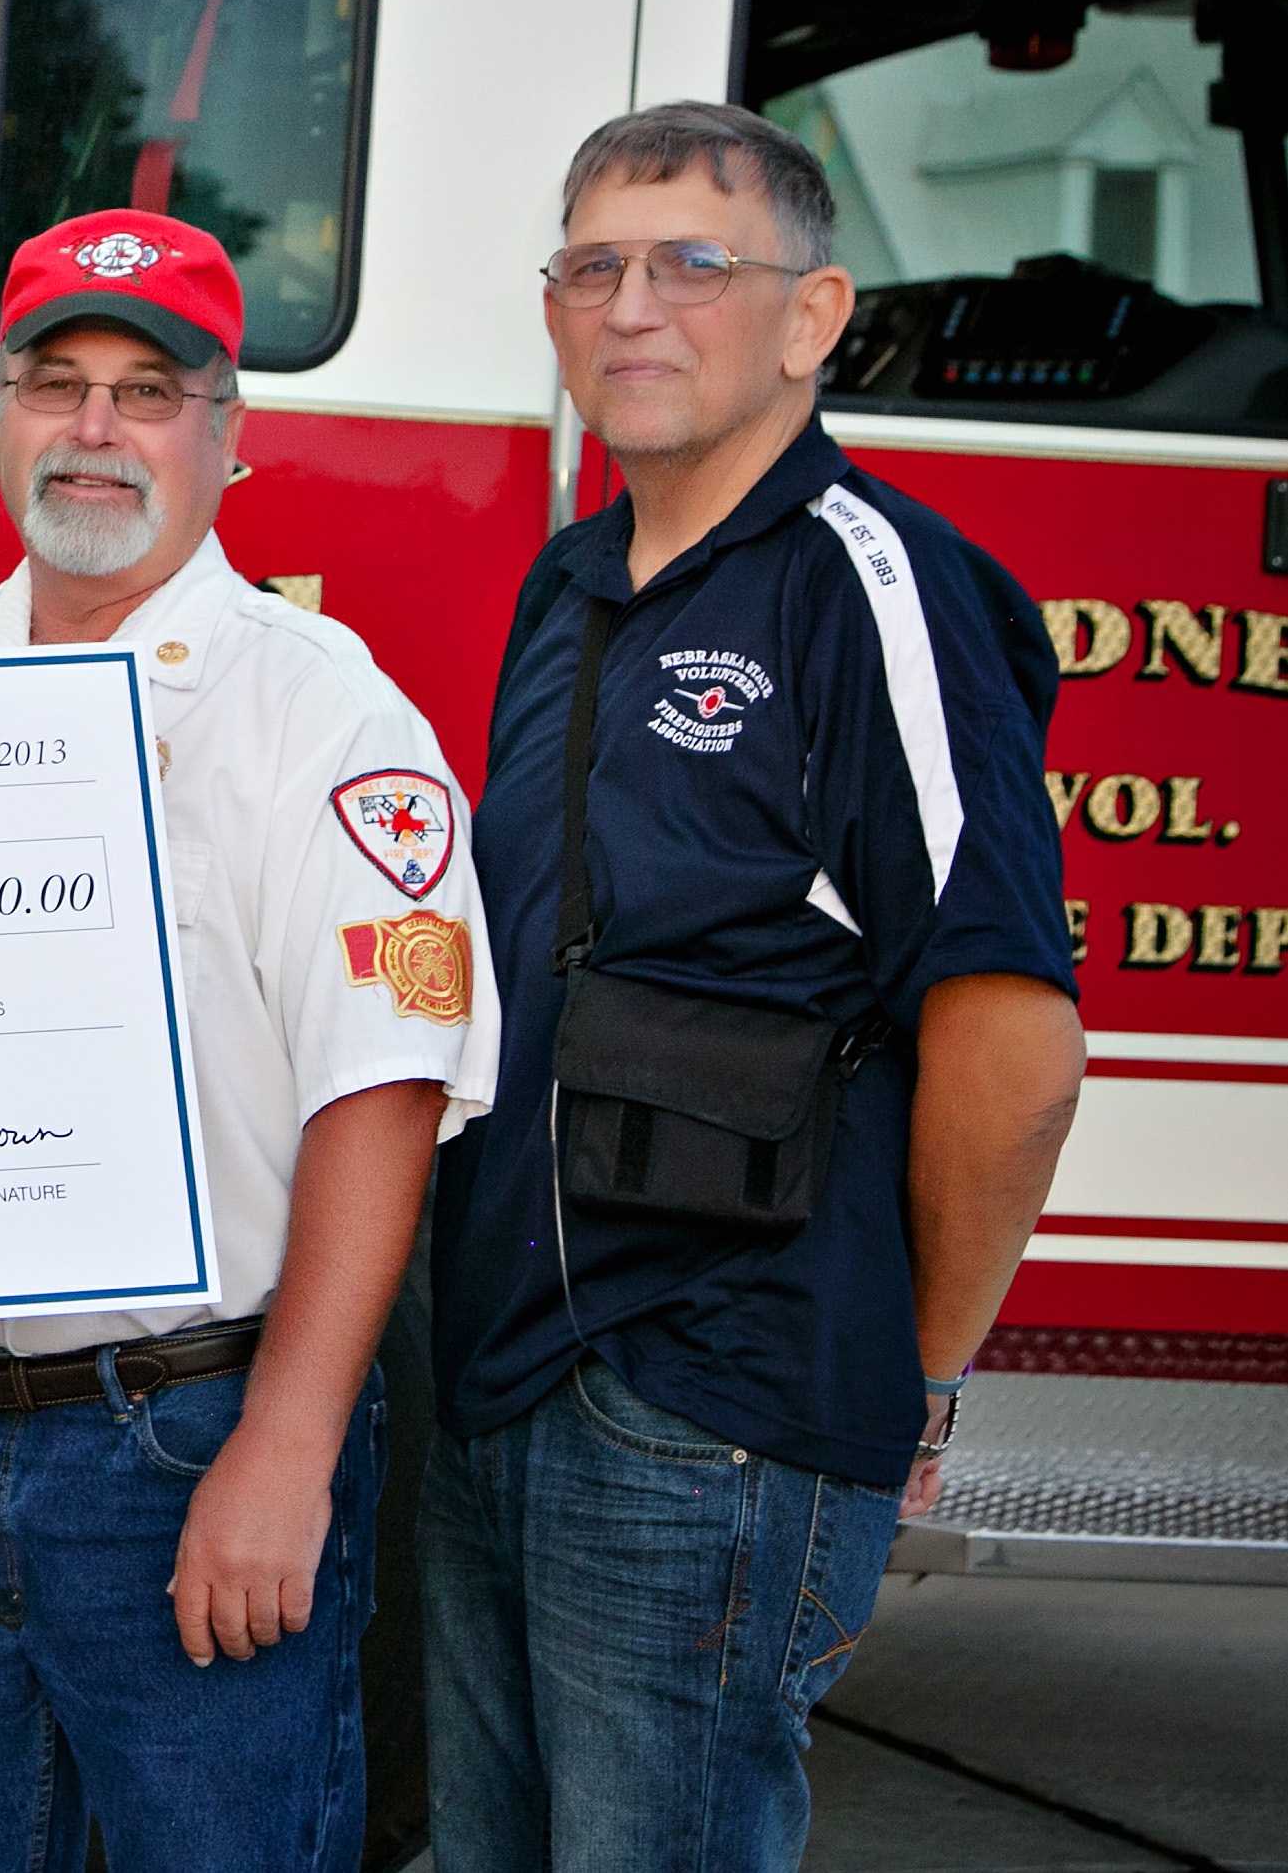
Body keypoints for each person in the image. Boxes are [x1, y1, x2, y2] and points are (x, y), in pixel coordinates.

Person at [0, 208, 501, 1871]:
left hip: (180, 1435)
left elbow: (381, 1098)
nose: (93, 427)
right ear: (0, 412)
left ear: (226, 439)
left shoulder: (324, 710)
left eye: (147, 390)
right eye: (53, 380)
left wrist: (285, 1455)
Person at [422, 102, 1085, 1872]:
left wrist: (910, 1371)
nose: (632, 306)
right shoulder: (566, 588)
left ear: (811, 317)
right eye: (592, 266)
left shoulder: (880, 587)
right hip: (502, 1387)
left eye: (693, 265)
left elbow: (1009, 1037)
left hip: (709, 1413)